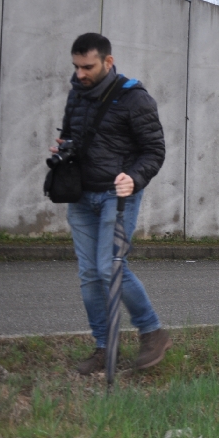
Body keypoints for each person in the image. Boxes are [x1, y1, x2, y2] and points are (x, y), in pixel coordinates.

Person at [53, 33, 171, 375]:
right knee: (90, 275)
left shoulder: (135, 98)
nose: (80, 74)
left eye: (87, 67)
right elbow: (72, 134)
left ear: (108, 61)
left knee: (110, 266)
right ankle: (105, 347)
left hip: (117, 196)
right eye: (76, 67)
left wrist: (134, 177)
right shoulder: (77, 93)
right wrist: (64, 149)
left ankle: (152, 331)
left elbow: (154, 151)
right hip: (80, 194)